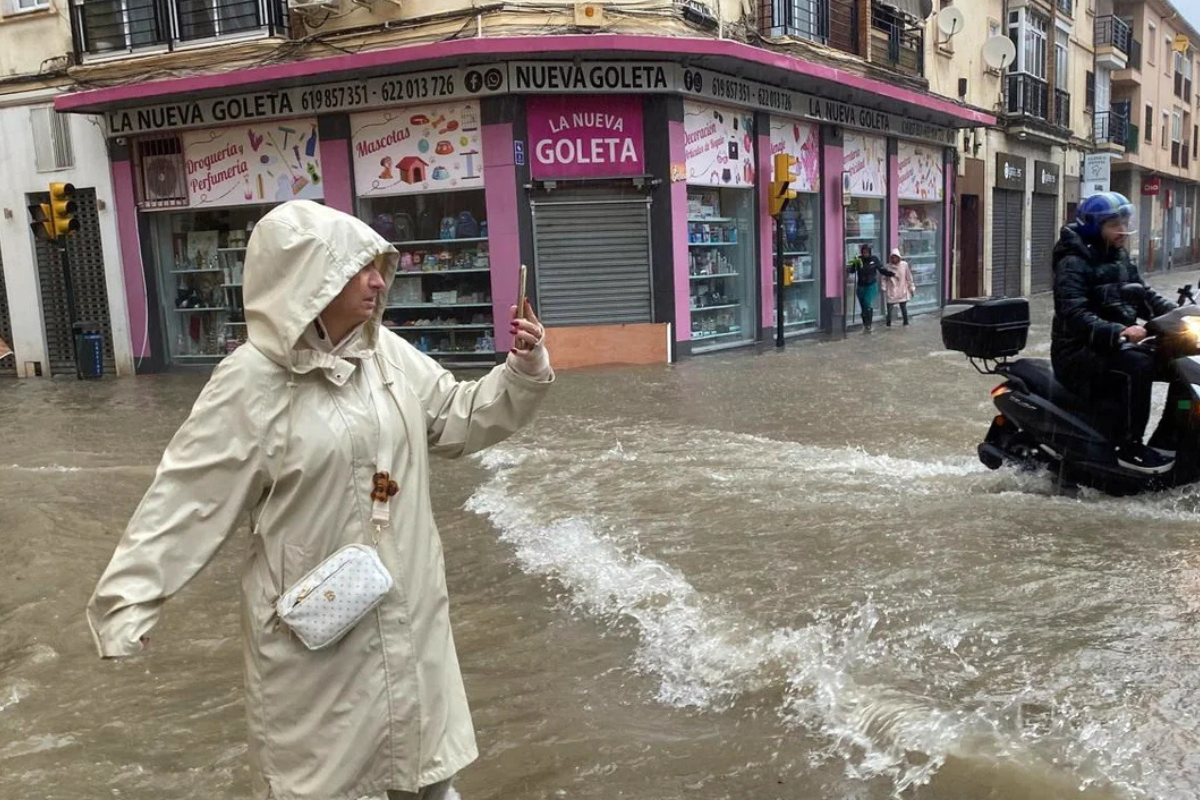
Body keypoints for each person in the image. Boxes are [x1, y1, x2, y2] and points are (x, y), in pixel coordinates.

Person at [86, 201, 554, 800]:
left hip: (411, 621)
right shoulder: (250, 382)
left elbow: (456, 417)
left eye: (378, 267)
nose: (379, 282)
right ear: (309, 279)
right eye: (361, 269)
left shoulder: (385, 355)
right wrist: (128, 603)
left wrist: (522, 369)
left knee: (424, 772)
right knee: (328, 783)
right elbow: (186, 499)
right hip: (318, 644)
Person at [1051, 191, 1177, 474]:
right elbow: (1074, 314)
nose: (1123, 229)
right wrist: (1120, 331)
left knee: (1177, 360)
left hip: (1114, 346)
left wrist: (1181, 315)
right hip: (1078, 353)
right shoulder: (1072, 263)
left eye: (1125, 222)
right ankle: (1128, 447)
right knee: (1139, 365)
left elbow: (1145, 296)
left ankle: (1171, 437)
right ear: (1094, 227)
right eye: (1114, 224)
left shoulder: (1120, 257)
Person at [847, 243, 894, 332]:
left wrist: (890, 274)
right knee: (863, 306)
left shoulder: (874, 259)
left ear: (870, 252)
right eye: (864, 252)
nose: (865, 254)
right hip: (861, 286)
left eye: (867, 252)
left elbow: (881, 269)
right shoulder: (859, 260)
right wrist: (853, 265)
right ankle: (865, 324)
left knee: (867, 303)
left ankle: (869, 325)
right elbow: (852, 271)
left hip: (871, 285)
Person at [882, 248, 915, 327]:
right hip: (891, 291)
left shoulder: (904, 265)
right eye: (893, 257)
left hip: (902, 290)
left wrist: (911, 288)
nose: (894, 259)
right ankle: (888, 325)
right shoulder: (887, 267)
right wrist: (884, 287)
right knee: (889, 310)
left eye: (896, 257)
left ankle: (906, 323)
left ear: (898, 257)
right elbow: (884, 278)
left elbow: (909, 277)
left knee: (903, 308)